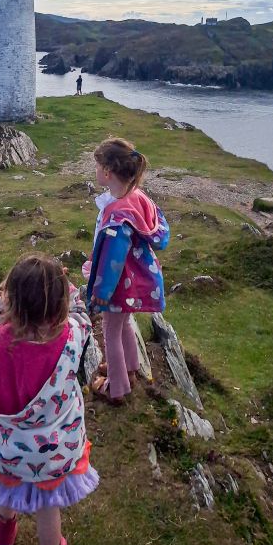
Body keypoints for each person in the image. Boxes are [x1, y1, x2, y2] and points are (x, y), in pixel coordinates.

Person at [0, 253, 98, 545]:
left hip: (5, 449)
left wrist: (1, 297)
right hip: (52, 452)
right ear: (58, 304)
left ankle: (2, 539)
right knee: (48, 507)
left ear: (11, 301)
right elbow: (82, 315)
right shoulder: (72, 337)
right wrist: (69, 289)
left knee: (5, 491)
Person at [82, 138, 170, 406]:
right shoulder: (138, 197)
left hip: (120, 283)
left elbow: (113, 260)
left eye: (96, 166)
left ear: (107, 171)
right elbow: (161, 232)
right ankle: (129, 368)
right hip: (139, 277)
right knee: (125, 324)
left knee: (111, 330)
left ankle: (117, 388)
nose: (95, 171)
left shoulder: (116, 216)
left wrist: (100, 293)